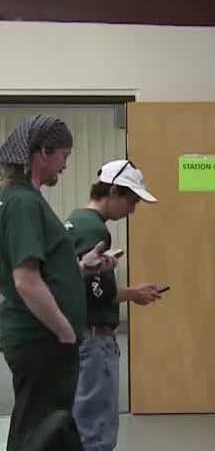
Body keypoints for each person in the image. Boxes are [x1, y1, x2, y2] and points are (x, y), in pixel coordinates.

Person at [0, 115, 115, 451]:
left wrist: (79, 268)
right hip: (42, 339)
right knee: (41, 431)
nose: (65, 165)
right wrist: (65, 332)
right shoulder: (22, 202)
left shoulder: (24, 200)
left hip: (40, 339)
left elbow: (40, 273)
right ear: (43, 152)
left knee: (36, 428)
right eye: (64, 155)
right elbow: (26, 280)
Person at [67, 159, 162, 451]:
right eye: (131, 201)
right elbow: (98, 292)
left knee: (80, 423)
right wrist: (129, 293)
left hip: (78, 337)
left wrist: (132, 293)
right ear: (113, 192)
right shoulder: (94, 230)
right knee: (96, 431)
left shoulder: (75, 220)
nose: (132, 210)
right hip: (95, 342)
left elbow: (84, 285)